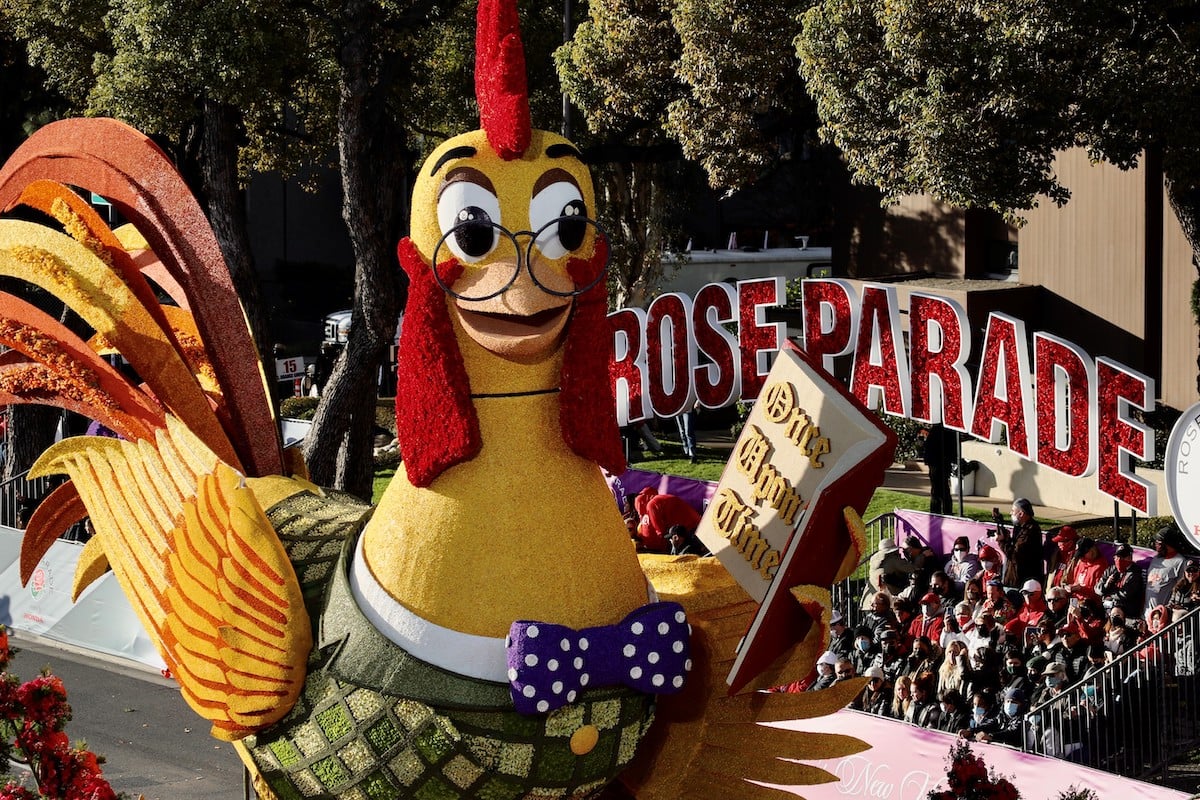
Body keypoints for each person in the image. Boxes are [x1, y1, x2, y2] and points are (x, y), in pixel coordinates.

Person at [996, 498, 1044, 585]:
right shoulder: (1019, 527)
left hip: (1023, 581)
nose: (1011, 513)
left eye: (1013, 511)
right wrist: (1007, 537)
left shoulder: (1031, 530)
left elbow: (1014, 554)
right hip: (1014, 578)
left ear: (1021, 513)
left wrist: (1002, 541)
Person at [1144, 525, 1187, 619]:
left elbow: (1180, 589)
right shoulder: (1155, 559)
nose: (1156, 544)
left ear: (1168, 544)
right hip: (1146, 615)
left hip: (1163, 617)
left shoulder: (1180, 562)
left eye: (1158, 542)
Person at [862, 537, 916, 609]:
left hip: (869, 602)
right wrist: (922, 556)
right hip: (885, 602)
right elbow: (913, 568)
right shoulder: (893, 560)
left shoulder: (874, 562)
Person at [1097, 542, 1145, 618]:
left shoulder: (1135, 572)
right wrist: (1106, 585)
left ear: (1130, 557)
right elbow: (1098, 589)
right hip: (1108, 607)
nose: (1119, 560)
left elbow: (1125, 593)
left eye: (1123, 557)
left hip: (1126, 611)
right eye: (1118, 556)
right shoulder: (1111, 569)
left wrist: (1109, 594)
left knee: (1116, 614)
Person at [920, 424, 957, 514]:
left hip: (937, 462)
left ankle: (937, 511)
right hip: (941, 462)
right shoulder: (948, 431)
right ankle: (944, 511)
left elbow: (929, 448)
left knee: (937, 489)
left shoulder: (937, 431)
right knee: (942, 489)